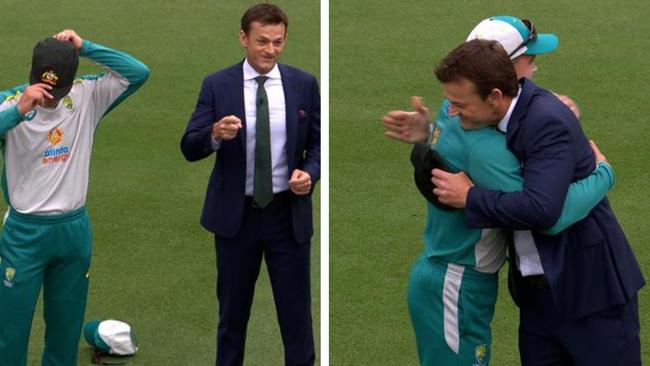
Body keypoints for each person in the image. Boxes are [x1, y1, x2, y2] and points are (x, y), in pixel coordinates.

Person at [382, 17, 617, 365]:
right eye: (528, 58)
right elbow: (545, 214)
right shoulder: (486, 146)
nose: (534, 67)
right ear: (497, 73)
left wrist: (427, 133)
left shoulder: (452, 112)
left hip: (449, 277)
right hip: (456, 283)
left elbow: (445, 141)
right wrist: (603, 175)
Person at [428, 40, 643, 365]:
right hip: (537, 297)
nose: (453, 112)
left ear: (496, 97)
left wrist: (470, 197)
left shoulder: (546, 120)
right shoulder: (486, 115)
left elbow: (544, 211)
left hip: (591, 294)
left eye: (461, 104)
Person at [180, 4, 320, 366]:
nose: (269, 50)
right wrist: (213, 134)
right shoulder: (217, 84)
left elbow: (318, 144)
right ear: (243, 38)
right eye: (262, 41)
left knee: (297, 321)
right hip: (235, 220)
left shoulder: (304, 84)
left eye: (278, 42)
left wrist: (310, 173)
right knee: (232, 319)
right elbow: (189, 146)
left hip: (286, 217)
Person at [0, 30, 149, 366]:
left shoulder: (87, 95)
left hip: (73, 232)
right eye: (45, 90)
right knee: (11, 331)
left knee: (65, 330)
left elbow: (138, 72)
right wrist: (18, 111)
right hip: (24, 235)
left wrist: (86, 47)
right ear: (33, 76)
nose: (51, 99)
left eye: (59, 90)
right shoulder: (10, 103)